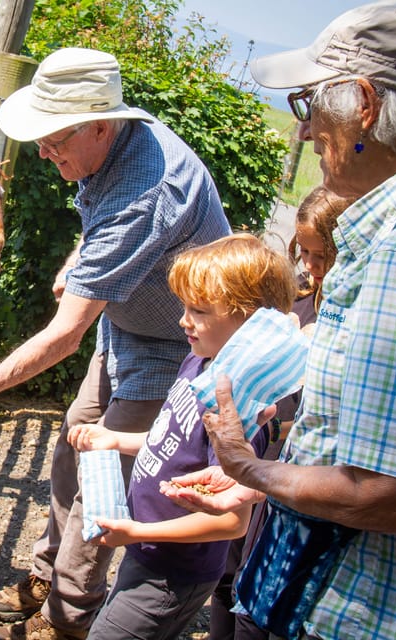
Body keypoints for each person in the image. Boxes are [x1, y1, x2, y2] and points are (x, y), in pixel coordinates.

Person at [177, 2, 396, 639]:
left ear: (364, 105)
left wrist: (250, 469)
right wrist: (260, 487)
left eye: (309, 105)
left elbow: (386, 494)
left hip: (366, 606)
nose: (304, 131)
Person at [0, 47, 230, 640]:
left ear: (100, 125)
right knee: (71, 448)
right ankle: (45, 575)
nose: (43, 151)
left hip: (173, 350)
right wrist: (80, 259)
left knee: (102, 480)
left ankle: (69, 617)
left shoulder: (143, 193)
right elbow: (99, 223)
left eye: (53, 138)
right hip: (126, 330)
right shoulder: (122, 143)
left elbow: (65, 332)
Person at [66, 234, 297, 640]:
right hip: (147, 555)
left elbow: (230, 520)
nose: (182, 320)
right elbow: (168, 436)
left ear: (248, 322)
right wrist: (115, 439)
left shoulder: (237, 410)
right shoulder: (198, 362)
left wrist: (137, 532)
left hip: (173, 574)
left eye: (199, 310)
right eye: (184, 306)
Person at [201, 187, 353, 640]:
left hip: (291, 471)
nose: (308, 265)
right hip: (257, 455)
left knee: (257, 584)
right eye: (301, 251)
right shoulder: (299, 301)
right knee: (227, 575)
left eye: (319, 254)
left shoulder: (348, 316)